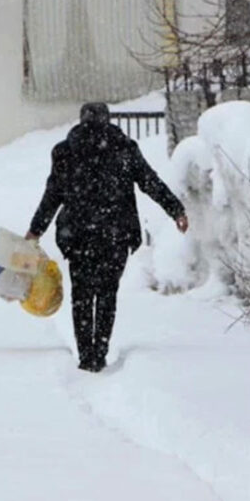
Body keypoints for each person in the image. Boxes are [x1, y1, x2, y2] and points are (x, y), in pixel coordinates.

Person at [26, 102, 188, 372]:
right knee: (107, 294)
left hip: (78, 235)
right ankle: (99, 354)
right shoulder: (124, 149)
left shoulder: (66, 152)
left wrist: (35, 231)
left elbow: (52, 196)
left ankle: (85, 356)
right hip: (116, 234)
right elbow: (150, 182)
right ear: (108, 120)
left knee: (81, 296)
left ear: (81, 120)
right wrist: (176, 210)